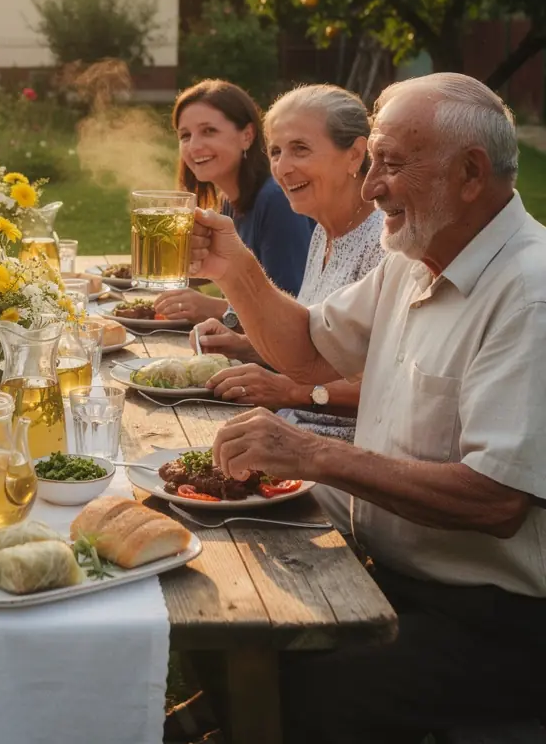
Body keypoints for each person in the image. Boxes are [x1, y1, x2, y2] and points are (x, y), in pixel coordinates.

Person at [190, 73, 546, 743]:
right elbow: (307, 352)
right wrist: (234, 269)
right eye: (373, 160)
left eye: (392, 163)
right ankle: (217, 719)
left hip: (495, 619)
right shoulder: (417, 257)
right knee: (216, 594)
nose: (372, 185)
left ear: (471, 173)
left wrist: (313, 453)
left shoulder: (529, 295)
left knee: (299, 689)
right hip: (392, 571)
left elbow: (495, 502)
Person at [198, 85, 384, 445]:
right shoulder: (324, 232)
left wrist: (293, 392)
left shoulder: (386, 243)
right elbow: (325, 348)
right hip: (291, 433)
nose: (283, 168)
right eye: (276, 152)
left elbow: (396, 391)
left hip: (343, 460)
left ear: (355, 155)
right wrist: (244, 345)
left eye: (300, 149)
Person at [154, 78, 313, 326]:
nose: (194, 146)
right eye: (185, 135)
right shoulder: (229, 199)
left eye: (209, 131)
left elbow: (293, 311)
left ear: (247, 136)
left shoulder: (276, 200)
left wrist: (212, 308)